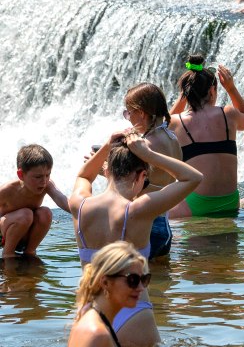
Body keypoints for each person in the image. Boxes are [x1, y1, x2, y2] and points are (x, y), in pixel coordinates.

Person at [70, 134, 201, 346]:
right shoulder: (139, 209)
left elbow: (84, 176)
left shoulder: (80, 206)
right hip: (133, 311)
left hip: (91, 310)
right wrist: (148, 154)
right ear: (141, 175)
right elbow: (193, 177)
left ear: (106, 171)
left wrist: (107, 145)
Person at [168, 56, 244, 217]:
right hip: (230, 201)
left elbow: (159, 128)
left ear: (186, 93)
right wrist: (231, 88)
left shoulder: (176, 122)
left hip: (195, 203)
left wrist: (182, 97)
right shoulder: (228, 113)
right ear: (212, 90)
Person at [121, 83, 182, 259]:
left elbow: (129, 189)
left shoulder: (145, 146)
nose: (128, 118)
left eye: (128, 113)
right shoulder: (172, 138)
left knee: (136, 282)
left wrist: (106, 172)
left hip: (145, 228)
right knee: (159, 282)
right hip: (164, 227)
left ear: (141, 113)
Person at [68, 241, 149, 347]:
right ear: (105, 282)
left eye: (144, 280)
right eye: (133, 280)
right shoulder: (97, 334)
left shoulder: (87, 314)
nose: (141, 288)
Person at [0, 144, 69, 258]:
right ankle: (8, 254)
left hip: (24, 232)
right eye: (38, 177)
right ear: (21, 175)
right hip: (4, 234)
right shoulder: (8, 190)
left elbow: (61, 198)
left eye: (48, 175)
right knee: (25, 214)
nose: (44, 181)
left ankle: (30, 252)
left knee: (45, 213)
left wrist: (82, 211)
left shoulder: (47, 185)